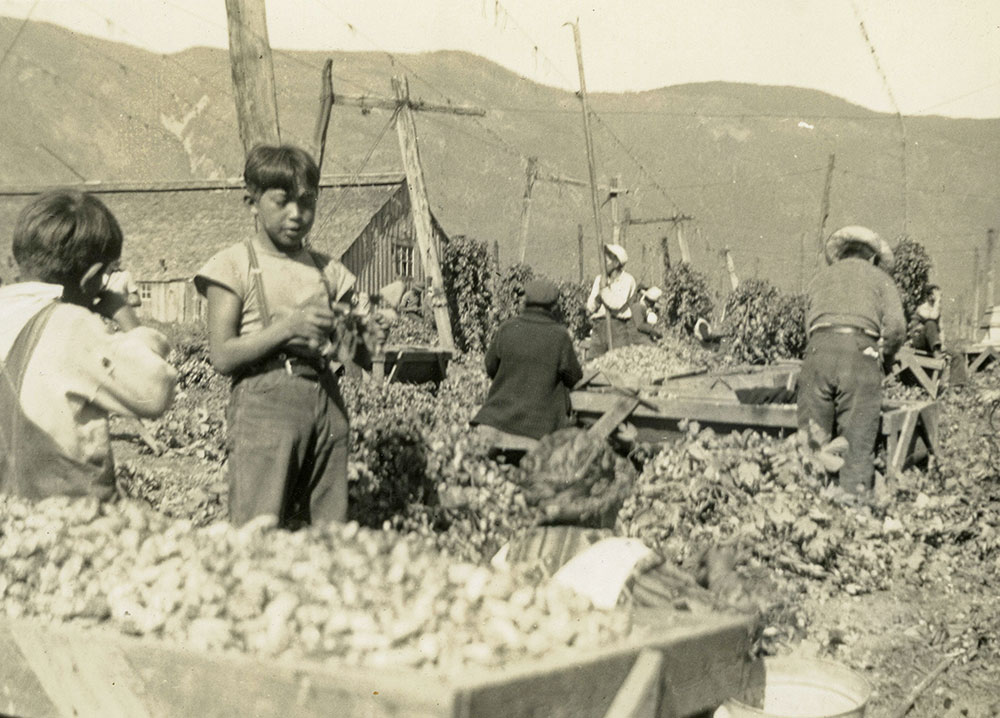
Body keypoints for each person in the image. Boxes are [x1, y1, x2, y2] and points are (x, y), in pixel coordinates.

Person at [195, 144, 376, 528]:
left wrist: (370, 323)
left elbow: (359, 354)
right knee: (258, 530)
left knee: (328, 532)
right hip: (265, 405)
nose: (296, 214)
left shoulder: (330, 270)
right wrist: (288, 328)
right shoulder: (233, 264)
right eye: (282, 202)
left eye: (306, 202)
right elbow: (223, 356)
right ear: (252, 202)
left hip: (327, 401)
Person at [0, 191, 177, 500]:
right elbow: (154, 392)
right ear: (91, 278)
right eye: (106, 274)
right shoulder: (72, 324)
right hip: (61, 511)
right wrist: (126, 318)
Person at [797, 225, 906, 498]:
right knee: (857, 446)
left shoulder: (819, 278)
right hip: (859, 355)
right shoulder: (881, 278)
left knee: (811, 443)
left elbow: (808, 326)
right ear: (872, 257)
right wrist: (886, 357)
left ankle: (805, 505)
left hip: (816, 355)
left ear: (841, 254)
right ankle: (853, 512)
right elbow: (895, 327)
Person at [471, 278, 583, 449]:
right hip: (540, 429)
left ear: (526, 301)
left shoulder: (507, 328)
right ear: (554, 306)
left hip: (497, 419)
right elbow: (574, 378)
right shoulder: (560, 336)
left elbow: (490, 366)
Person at [585, 244, 637, 357]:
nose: (603, 264)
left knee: (619, 362)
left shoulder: (627, 280)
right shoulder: (599, 279)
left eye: (607, 260)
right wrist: (598, 298)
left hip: (617, 327)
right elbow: (590, 306)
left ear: (616, 263)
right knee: (593, 364)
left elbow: (616, 303)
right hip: (599, 327)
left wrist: (603, 290)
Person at [912, 284, 943, 356]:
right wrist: (937, 301)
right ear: (929, 296)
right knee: (930, 323)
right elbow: (932, 317)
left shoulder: (936, 309)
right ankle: (936, 352)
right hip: (920, 340)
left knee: (956, 356)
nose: (939, 297)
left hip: (931, 342)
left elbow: (941, 328)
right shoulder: (922, 308)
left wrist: (943, 344)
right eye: (936, 294)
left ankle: (937, 349)